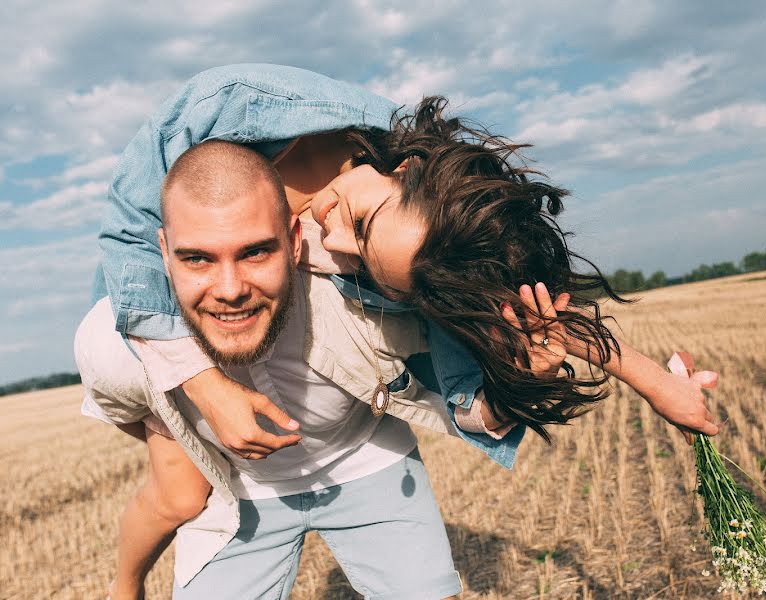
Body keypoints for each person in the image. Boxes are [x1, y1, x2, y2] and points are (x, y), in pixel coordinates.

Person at [81, 64, 719, 598]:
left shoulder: (401, 253)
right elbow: (128, 243)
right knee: (176, 490)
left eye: (359, 256)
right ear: (405, 165)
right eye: (358, 223)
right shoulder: (227, 114)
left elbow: (522, 312)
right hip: (224, 455)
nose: (332, 239)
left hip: (357, 449)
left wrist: (650, 381)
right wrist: (205, 386)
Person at [78, 140, 476, 599]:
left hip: (365, 457)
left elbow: (465, 338)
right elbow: (127, 410)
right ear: (163, 252)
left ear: (293, 241)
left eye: (255, 253)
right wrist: (197, 411)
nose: (230, 290)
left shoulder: (360, 289)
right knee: (176, 494)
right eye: (197, 258)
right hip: (240, 490)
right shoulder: (114, 343)